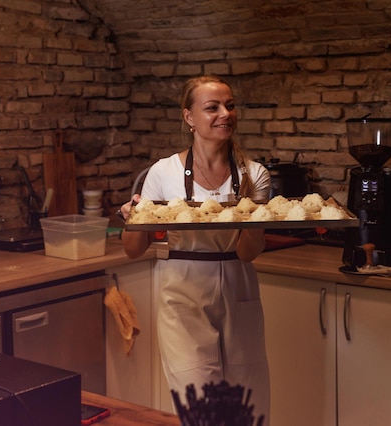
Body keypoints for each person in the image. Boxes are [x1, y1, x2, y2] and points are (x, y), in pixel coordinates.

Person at [118, 75, 271, 422]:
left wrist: (258, 218)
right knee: (199, 408)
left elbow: (248, 252)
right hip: (182, 292)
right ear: (189, 118)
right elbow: (132, 249)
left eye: (230, 106)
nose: (225, 114)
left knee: (247, 405)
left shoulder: (254, 173)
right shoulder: (163, 172)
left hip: (238, 286)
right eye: (212, 107)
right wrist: (135, 216)